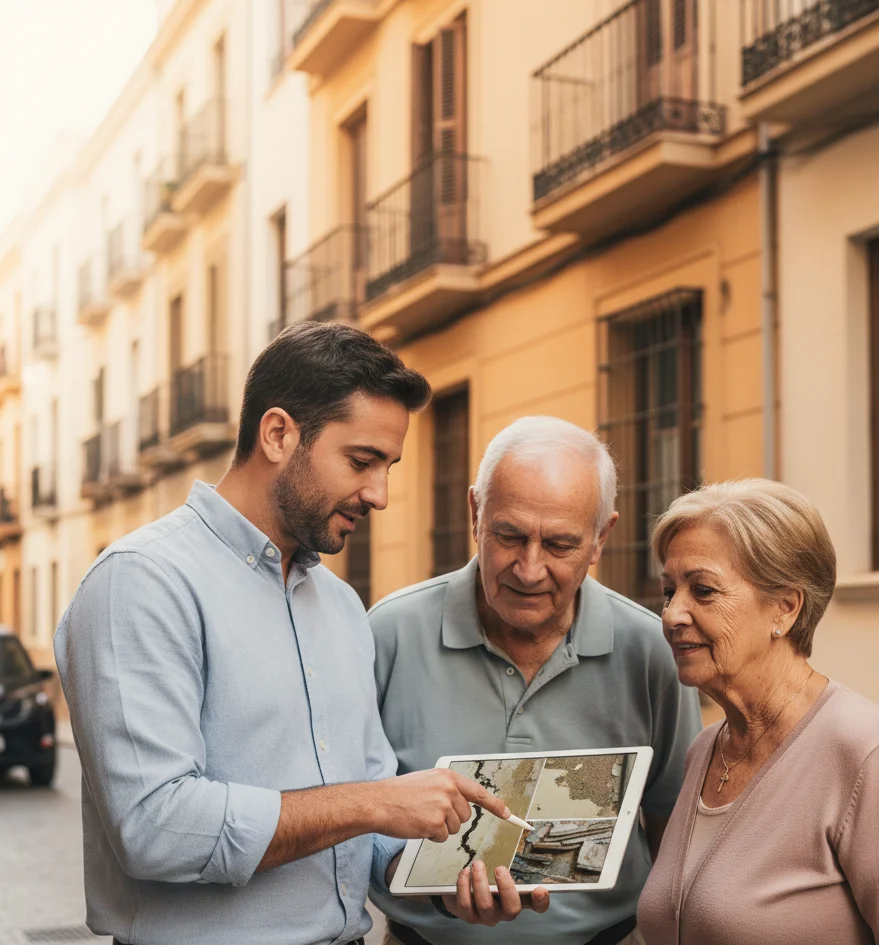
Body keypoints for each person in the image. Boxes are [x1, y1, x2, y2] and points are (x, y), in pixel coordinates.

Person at [53, 323, 540, 945]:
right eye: (361, 461)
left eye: (388, 466)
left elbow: (361, 837)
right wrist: (372, 802)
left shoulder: (339, 606)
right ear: (278, 433)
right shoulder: (141, 583)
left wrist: (442, 882)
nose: (380, 494)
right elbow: (155, 829)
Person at [370, 416, 702, 945]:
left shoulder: (652, 651)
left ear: (600, 539)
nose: (529, 569)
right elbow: (354, 815)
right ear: (475, 512)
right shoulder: (387, 634)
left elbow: (673, 829)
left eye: (560, 544)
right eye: (509, 535)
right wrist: (428, 890)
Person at [637, 478, 879, 945]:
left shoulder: (865, 752)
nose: (672, 615)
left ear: (786, 609)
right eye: (670, 591)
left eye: (704, 590)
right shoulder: (705, 749)